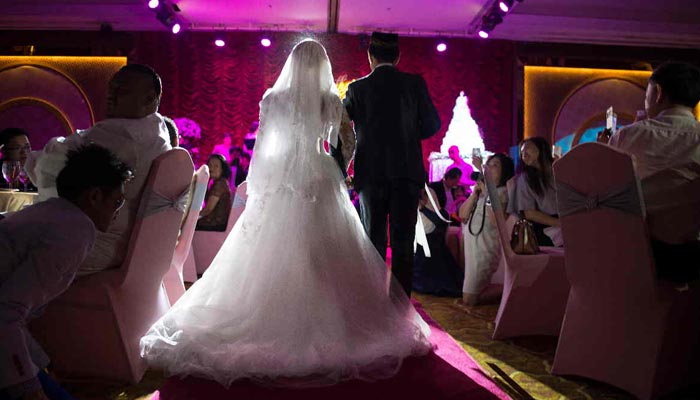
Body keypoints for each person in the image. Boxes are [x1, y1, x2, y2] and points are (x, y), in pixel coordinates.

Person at [140, 39, 431, 387]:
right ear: (321, 66)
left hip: (281, 175)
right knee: (329, 249)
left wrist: (262, 186)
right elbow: (345, 143)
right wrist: (341, 170)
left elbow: (262, 147)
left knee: (269, 251)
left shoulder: (272, 99)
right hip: (319, 174)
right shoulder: (330, 100)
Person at [0, 144, 131, 400]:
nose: (117, 213)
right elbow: (6, 313)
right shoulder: (74, 230)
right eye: (117, 202)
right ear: (94, 197)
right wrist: (31, 389)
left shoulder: (51, 212)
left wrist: (39, 363)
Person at [27, 64, 172, 275]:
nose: (111, 96)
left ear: (150, 99)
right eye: (111, 89)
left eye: (121, 90)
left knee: (10, 240)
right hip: (119, 241)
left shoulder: (125, 136)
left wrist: (40, 155)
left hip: (92, 241)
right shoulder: (156, 132)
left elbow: (49, 166)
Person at [340, 32, 441, 297]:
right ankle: (400, 307)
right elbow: (432, 124)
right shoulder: (414, 83)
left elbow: (341, 125)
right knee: (403, 241)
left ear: (370, 56)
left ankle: (373, 305)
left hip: (370, 174)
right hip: (406, 173)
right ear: (398, 57)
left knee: (372, 240)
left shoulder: (357, 88)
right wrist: (406, 136)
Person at [609, 62, 700, 283]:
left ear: (658, 92)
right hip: (690, 263)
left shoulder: (625, 137)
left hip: (630, 259)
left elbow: (607, 197)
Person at [459, 153, 515, 306]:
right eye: (488, 165)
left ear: (505, 172)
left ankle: (508, 291)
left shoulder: (503, 192)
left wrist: (487, 189)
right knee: (471, 293)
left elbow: (495, 219)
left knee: (469, 299)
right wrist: (475, 194)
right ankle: (505, 290)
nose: (489, 168)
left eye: (494, 165)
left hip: (485, 248)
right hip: (472, 248)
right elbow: (462, 214)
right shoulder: (484, 191)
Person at [507, 137, 560, 247]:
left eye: (528, 148)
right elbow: (530, 214)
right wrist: (562, 224)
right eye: (521, 152)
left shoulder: (560, 169)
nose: (524, 154)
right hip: (546, 228)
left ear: (542, 149)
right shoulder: (525, 179)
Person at [413, 186, 464, 297]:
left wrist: (423, 209)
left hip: (429, 237)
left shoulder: (429, 192)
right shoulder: (421, 191)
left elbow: (438, 218)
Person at [196, 154, 232, 232]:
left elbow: (208, 209)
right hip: (215, 222)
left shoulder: (220, 184)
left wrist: (193, 218)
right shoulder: (217, 182)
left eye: (216, 166)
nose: (212, 168)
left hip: (215, 224)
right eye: (210, 165)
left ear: (222, 169)